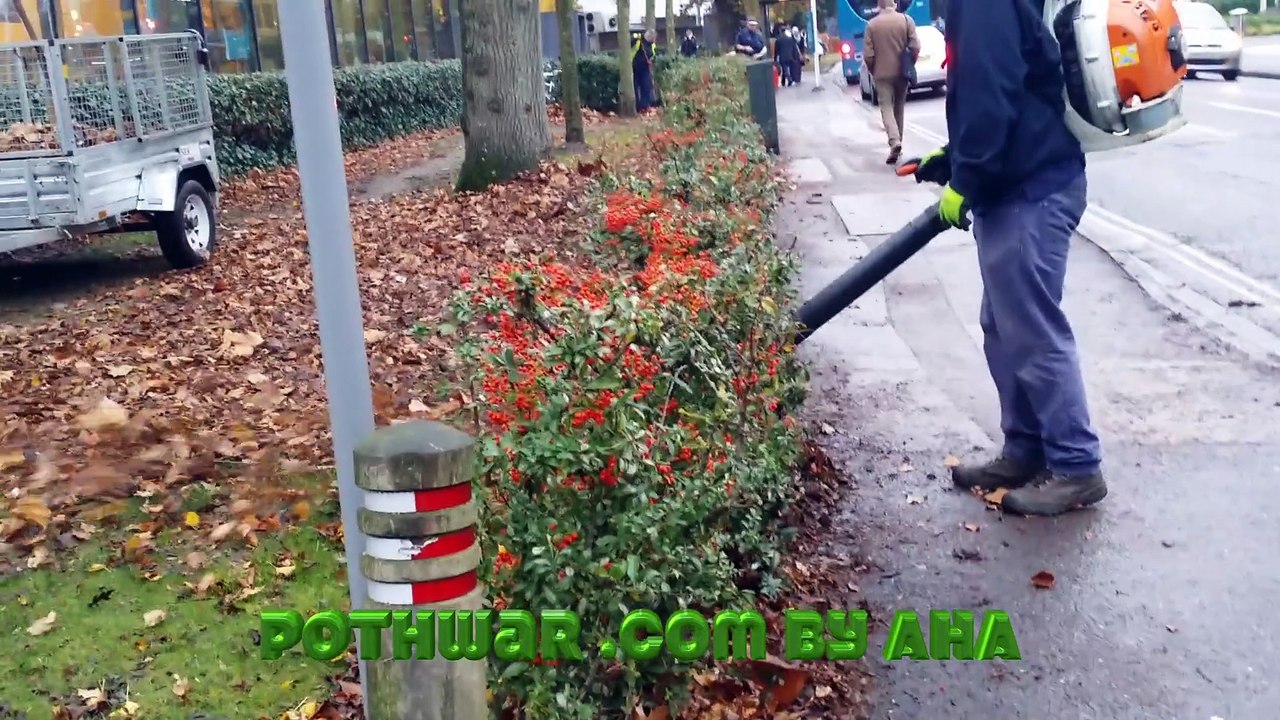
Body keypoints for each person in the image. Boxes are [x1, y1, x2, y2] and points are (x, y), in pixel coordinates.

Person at [919, 0, 1107, 516]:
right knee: (1003, 324)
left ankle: (1076, 464)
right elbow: (1009, 83)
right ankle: (1025, 449)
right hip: (1020, 181)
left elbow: (990, 87)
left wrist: (969, 174)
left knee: (1030, 329)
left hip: (1032, 187)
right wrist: (956, 159)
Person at [863, 0, 919, 164]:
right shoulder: (906, 20)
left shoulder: (872, 25)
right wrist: (910, 64)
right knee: (899, 107)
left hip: (881, 73)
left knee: (886, 107)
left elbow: (868, 55)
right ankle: (898, 143)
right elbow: (915, 46)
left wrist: (874, 70)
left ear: (879, 6)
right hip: (902, 72)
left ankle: (895, 142)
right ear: (894, 4)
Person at [632, 30, 657, 112]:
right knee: (635, 87)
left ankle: (644, 106)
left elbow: (653, 53)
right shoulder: (638, 40)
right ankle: (637, 106)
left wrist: (652, 60)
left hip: (645, 68)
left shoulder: (652, 44)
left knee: (646, 87)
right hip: (634, 67)